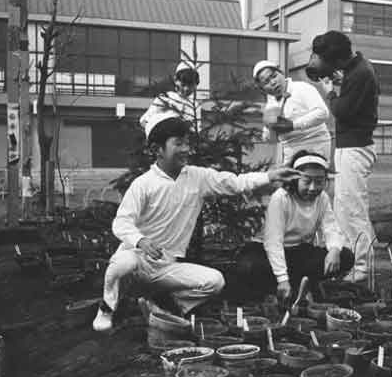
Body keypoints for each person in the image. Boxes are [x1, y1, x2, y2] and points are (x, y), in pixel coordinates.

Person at [93, 111, 300, 332]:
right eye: (178, 144)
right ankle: (107, 308)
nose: (186, 149)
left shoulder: (197, 177)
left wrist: (270, 176)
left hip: (167, 267)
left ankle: (166, 308)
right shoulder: (143, 184)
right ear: (157, 149)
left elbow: (235, 183)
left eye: (187, 143)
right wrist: (141, 241)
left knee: (215, 281)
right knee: (122, 264)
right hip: (136, 261)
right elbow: (121, 223)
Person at [234, 151, 355, 303]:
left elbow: (331, 227)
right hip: (266, 252)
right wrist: (282, 279)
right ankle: (288, 286)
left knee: (346, 256)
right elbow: (273, 242)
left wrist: (335, 250)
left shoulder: (322, 198)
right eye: (307, 181)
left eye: (319, 181)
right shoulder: (281, 198)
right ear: (295, 179)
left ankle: (300, 284)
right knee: (249, 266)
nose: (313, 188)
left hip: (298, 252)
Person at [310, 30, 380, 283]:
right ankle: (352, 262)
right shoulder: (356, 70)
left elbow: (342, 111)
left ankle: (361, 268)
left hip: (355, 148)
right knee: (343, 207)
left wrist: (329, 91)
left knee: (353, 209)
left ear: (337, 59)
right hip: (349, 147)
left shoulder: (360, 73)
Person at [253, 60, 332, 165]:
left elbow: (323, 112)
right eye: (266, 82)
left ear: (281, 73)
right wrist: (269, 127)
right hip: (290, 153)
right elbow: (271, 140)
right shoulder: (271, 105)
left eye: (274, 76)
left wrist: (293, 125)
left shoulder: (301, 88)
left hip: (316, 146)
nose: (273, 82)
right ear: (262, 89)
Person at [139, 61, 200, 129]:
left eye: (190, 86)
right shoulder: (165, 98)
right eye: (183, 85)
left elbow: (196, 130)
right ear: (176, 80)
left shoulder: (195, 106)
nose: (186, 89)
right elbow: (144, 120)